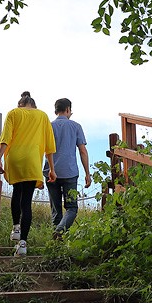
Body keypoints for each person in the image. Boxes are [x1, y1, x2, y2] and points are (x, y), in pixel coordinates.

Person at [0, 91, 57, 256]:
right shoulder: (43, 116)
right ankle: (23, 244)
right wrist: (52, 169)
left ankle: (16, 228)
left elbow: (5, 138)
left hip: (15, 158)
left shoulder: (14, 113)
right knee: (26, 202)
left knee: (17, 192)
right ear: (34, 105)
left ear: (20, 104)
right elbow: (49, 147)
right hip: (32, 161)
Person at [43, 98, 91, 239]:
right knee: (71, 208)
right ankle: (60, 231)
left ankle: (56, 243)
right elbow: (82, 151)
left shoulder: (48, 126)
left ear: (55, 110)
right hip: (69, 173)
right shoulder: (76, 126)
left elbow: (44, 150)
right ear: (68, 109)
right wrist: (87, 173)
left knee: (56, 209)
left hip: (51, 172)